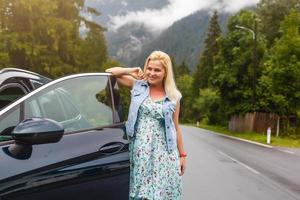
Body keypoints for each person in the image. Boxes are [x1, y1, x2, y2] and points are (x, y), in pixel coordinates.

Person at [106, 50, 186, 200]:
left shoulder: (174, 96)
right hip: (141, 151)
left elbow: (176, 127)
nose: (152, 73)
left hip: (165, 154)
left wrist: (182, 155)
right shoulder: (138, 86)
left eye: (157, 70)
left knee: (163, 194)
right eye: (149, 68)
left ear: (165, 73)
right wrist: (132, 70)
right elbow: (110, 72)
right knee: (141, 194)